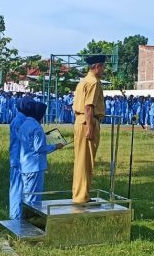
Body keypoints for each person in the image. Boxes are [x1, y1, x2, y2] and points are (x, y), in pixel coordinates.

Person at [72, 55, 106, 204]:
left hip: (80, 121)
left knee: (80, 160)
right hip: (88, 121)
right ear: (97, 66)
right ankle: (82, 197)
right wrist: (90, 127)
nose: (104, 70)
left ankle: (79, 194)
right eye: (103, 67)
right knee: (86, 162)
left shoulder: (83, 82)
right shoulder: (94, 82)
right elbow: (88, 106)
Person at [18, 100, 64, 210]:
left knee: (26, 194)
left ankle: (24, 217)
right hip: (35, 166)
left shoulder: (25, 124)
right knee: (34, 197)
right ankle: (31, 221)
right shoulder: (37, 127)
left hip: (25, 164)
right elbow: (39, 148)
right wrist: (55, 146)